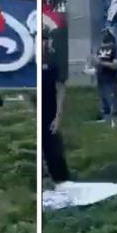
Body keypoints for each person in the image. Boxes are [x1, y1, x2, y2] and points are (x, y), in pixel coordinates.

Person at [42, 34, 71, 185]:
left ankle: (61, 181)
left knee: (53, 150)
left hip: (50, 115)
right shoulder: (30, 66)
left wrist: (58, 116)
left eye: (44, 41)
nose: (42, 44)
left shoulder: (53, 65)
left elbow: (60, 88)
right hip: (36, 113)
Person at [94, 29, 117, 126]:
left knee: (112, 102)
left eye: (105, 33)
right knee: (103, 102)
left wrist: (101, 63)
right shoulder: (100, 48)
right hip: (100, 78)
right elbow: (97, 63)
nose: (103, 35)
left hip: (110, 79)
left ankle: (116, 123)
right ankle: (107, 124)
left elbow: (115, 65)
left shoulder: (113, 48)